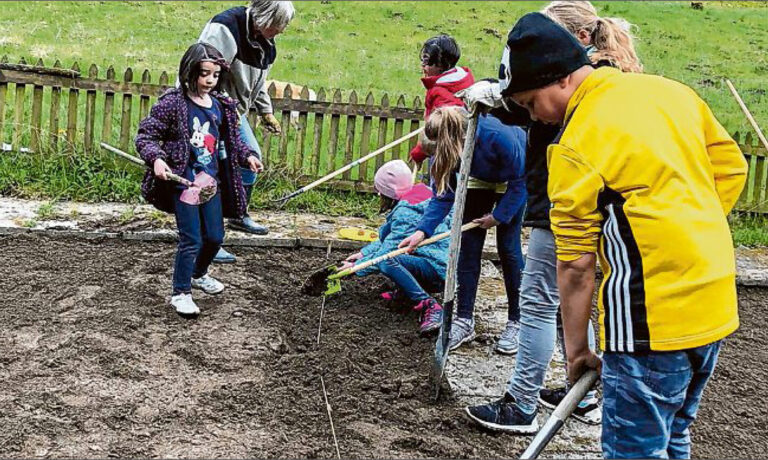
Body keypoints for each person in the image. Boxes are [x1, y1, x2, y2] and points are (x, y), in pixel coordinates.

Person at [468, 12, 747, 458]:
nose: (532, 116)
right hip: (712, 305)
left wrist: (577, 352)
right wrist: (691, 227)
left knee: (633, 450)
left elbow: (575, 265)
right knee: (672, 434)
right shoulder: (671, 92)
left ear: (558, 80)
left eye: (529, 102)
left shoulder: (575, 145)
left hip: (647, 322)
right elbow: (731, 168)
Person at [461, 0, 644, 429]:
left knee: (539, 301)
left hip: (562, 206)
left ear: (576, 41)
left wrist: (496, 95)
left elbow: (539, 109)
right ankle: (580, 394)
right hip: (574, 204)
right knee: (568, 303)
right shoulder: (608, 79)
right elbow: (530, 102)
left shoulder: (580, 88)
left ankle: (521, 402)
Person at [135, 43, 262, 316]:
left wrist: (248, 155)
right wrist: (156, 158)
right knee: (191, 239)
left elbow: (233, 142)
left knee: (215, 237)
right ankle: (180, 292)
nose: (210, 80)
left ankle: (198, 273)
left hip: (210, 185)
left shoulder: (221, 106)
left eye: (215, 75)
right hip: (184, 185)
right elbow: (146, 136)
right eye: (204, 73)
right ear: (189, 71)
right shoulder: (173, 103)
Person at [400, 106, 527, 355]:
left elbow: (521, 181)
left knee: (508, 249)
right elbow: (442, 194)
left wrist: (499, 216)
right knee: (468, 248)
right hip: (476, 176)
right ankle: (464, 320)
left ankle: (517, 321)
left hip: (511, 178)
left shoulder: (499, 136)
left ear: (451, 141)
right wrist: (422, 231)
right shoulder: (445, 146)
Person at [198, 0, 296, 263]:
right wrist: (208, 112)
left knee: (250, 159)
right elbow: (203, 70)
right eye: (278, 25)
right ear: (263, 18)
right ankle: (209, 239)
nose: (282, 30)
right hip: (207, 109)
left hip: (232, 112)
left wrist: (266, 112)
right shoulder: (226, 28)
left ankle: (237, 214)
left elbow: (258, 84)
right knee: (214, 171)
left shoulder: (266, 43)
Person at [342, 160, 451, 335]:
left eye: (379, 191)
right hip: (438, 262)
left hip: (437, 270)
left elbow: (387, 252)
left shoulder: (405, 213)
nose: (378, 195)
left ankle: (430, 305)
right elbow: (394, 240)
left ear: (387, 193)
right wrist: (363, 253)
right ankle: (405, 294)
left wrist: (355, 269)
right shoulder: (425, 194)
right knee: (397, 258)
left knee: (389, 262)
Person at [409, 34, 475, 166]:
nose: (422, 66)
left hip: (446, 154)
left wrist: (420, 152)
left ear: (440, 65)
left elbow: (440, 133)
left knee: (441, 185)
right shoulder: (461, 80)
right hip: (458, 150)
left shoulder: (442, 96)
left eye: (426, 61)